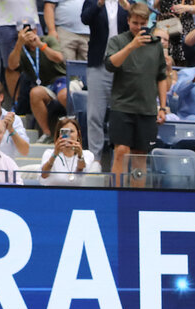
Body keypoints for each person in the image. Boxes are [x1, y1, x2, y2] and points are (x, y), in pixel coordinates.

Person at [104, 2, 168, 181]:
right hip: (122, 107)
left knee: (140, 155)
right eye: (135, 23)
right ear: (128, 20)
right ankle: (116, 196)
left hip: (147, 109)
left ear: (148, 22)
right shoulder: (117, 41)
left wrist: (162, 107)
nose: (139, 27)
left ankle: (136, 200)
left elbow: (161, 76)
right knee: (121, 151)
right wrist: (132, 46)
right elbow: (110, 65)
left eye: (142, 23)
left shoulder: (155, 45)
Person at [81, 0, 129, 165]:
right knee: (95, 114)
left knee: (122, 115)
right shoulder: (93, 1)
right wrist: (99, 3)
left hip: (123, 66)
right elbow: (85, 19)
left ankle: (120, 156)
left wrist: (127, 5)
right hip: (98, 62)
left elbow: (139, 20)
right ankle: (95, 159)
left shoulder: (127, 2)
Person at [8, 23, 68, 144]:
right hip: (45, 86)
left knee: (64, 95)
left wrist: (40, 45)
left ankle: (75, 128)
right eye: (24, 32)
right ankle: (47, 133)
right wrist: (19, 43)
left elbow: (58, 57)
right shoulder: (20, 49)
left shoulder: (48, 40)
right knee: (35, 93)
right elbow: (12, 65)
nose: (29, 34)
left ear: (36, 30)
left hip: (62, 79)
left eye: (31, 30)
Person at [0, 1, 42, 103]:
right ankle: (17, 105)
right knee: (10, 66)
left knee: (41, 60)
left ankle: (39, 101)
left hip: (33, 19)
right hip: (6, 21)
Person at [39, 115, 101, 184]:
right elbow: (44, 175)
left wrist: (80, 155)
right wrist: (55, 154)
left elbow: (80, 171)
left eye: (71, 131)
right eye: (64, 132)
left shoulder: (87, 154)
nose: (68, 135)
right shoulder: (49, 153)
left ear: (78, 134)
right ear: (58, 134)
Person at [155, 0, 195, 66]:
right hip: (165, 26)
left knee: (181, 59)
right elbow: (155, 6)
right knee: (162, 57)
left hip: (183, 27)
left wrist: (186, 7)